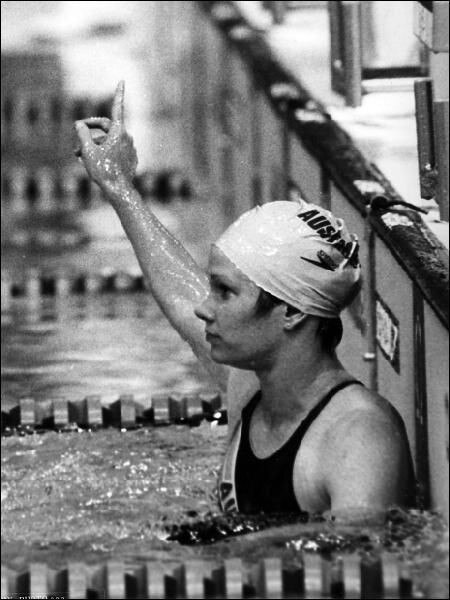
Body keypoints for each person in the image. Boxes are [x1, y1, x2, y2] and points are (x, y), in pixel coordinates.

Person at [74, 81, 416, 516]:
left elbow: (365, 571)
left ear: (291, 311)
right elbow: (181, 293)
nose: (204, 307)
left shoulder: (358, 438)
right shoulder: (253, 386)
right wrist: (118, 186)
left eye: (225, 292)